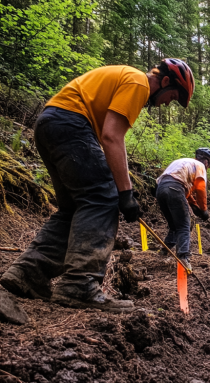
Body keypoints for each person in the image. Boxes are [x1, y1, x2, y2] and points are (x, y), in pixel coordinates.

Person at [0, 59, 195, 325]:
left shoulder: (127, 78)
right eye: (172, 97)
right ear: (164, 82)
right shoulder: (139, 83)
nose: (166, 104)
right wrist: (124, 194)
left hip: (50, 123)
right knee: (103, 198)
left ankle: (29, 273)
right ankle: (79, 284)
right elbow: (112, 137)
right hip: (70, 125)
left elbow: (110, 138)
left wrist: (123, 189)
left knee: (74, 208)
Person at [156, 148, 210, 271]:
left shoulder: (185, 163)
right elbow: (200, 188)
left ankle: (164, 251)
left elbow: (184, 191)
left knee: (174, 225)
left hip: (160, 189)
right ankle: (183, 257)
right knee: (184, 226)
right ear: (207, 162)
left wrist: (194, 205)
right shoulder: (200, 166)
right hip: (175, 189)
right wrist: (203, 209)